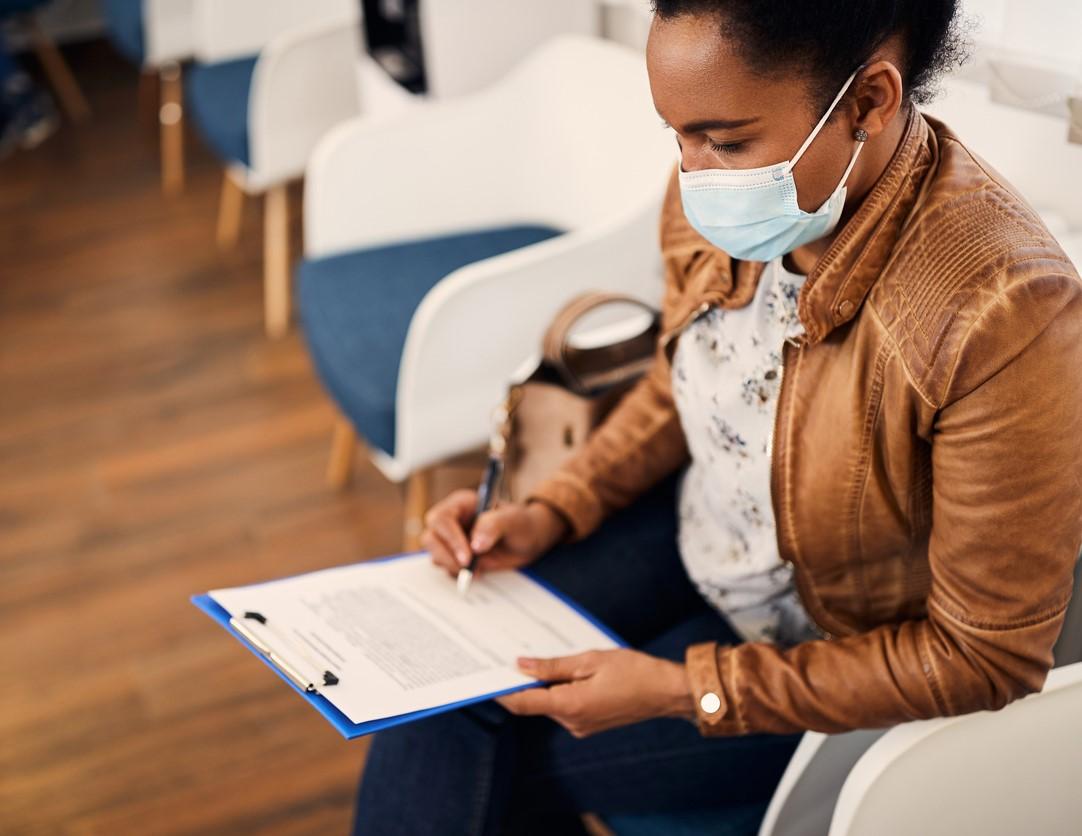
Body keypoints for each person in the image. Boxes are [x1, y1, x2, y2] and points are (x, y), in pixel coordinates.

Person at [352, 1, 1082, 833]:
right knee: (435, 685)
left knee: (505, 751)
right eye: (678, 136)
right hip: (702, 531)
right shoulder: (729, 188)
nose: (694, 175)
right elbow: (690, 381)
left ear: (870, 102)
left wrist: (684, 688)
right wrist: (552, 508)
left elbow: (982, 657)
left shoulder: (1005, 312)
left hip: (834, 649)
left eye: (726, 142)